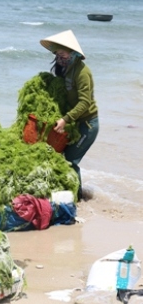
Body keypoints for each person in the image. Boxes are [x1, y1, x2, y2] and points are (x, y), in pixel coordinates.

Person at [40, 30, 99, 200]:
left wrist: (65, 120)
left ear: (73, 53)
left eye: (63, 54)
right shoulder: (67, 69)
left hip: (88, 124)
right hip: (77, 123)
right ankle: (72, 194)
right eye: (57, 54)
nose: (59, 58)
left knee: (71, 160)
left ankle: (76, 198)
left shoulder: (82, 73)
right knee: (62, 156)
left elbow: (85, 103)